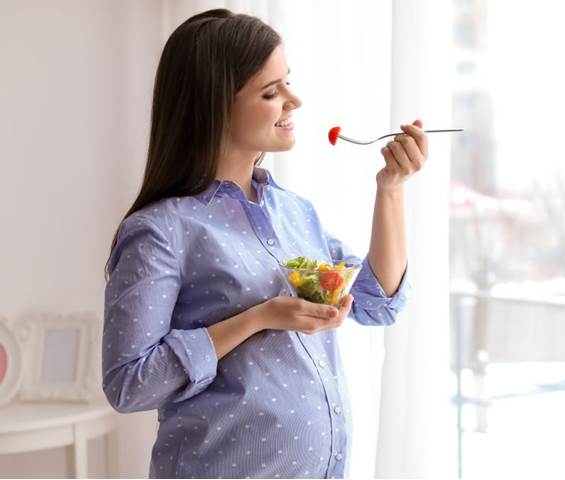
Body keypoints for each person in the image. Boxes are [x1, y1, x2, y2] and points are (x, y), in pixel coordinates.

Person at [102, 8, 427, 479]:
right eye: (271, 92)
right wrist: (260, 317)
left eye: (288, 82)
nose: (293, 101)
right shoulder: (162, 230)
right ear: (215, 105)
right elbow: (128, 383)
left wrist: (391, 189)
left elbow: (377, 302)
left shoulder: (295, 213)